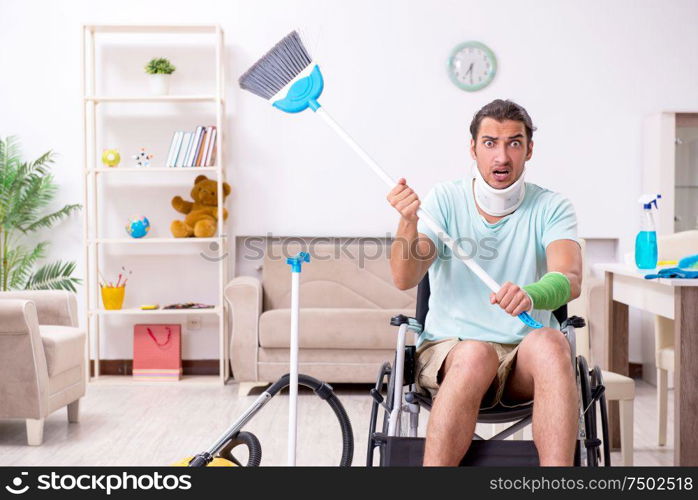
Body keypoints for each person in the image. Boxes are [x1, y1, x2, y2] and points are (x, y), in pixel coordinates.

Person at [387, 99, 582, 466]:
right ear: (473, 149)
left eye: (514, 142)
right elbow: (404, 276)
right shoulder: (445, 199)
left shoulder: (552, 207)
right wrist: (408, 223)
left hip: (522, 359)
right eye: (490, 142)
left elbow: (569, 277)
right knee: (477, 354)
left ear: (529, 149)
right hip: (453, 350)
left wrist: (532, 294)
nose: (502, 156)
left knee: (553, 343)